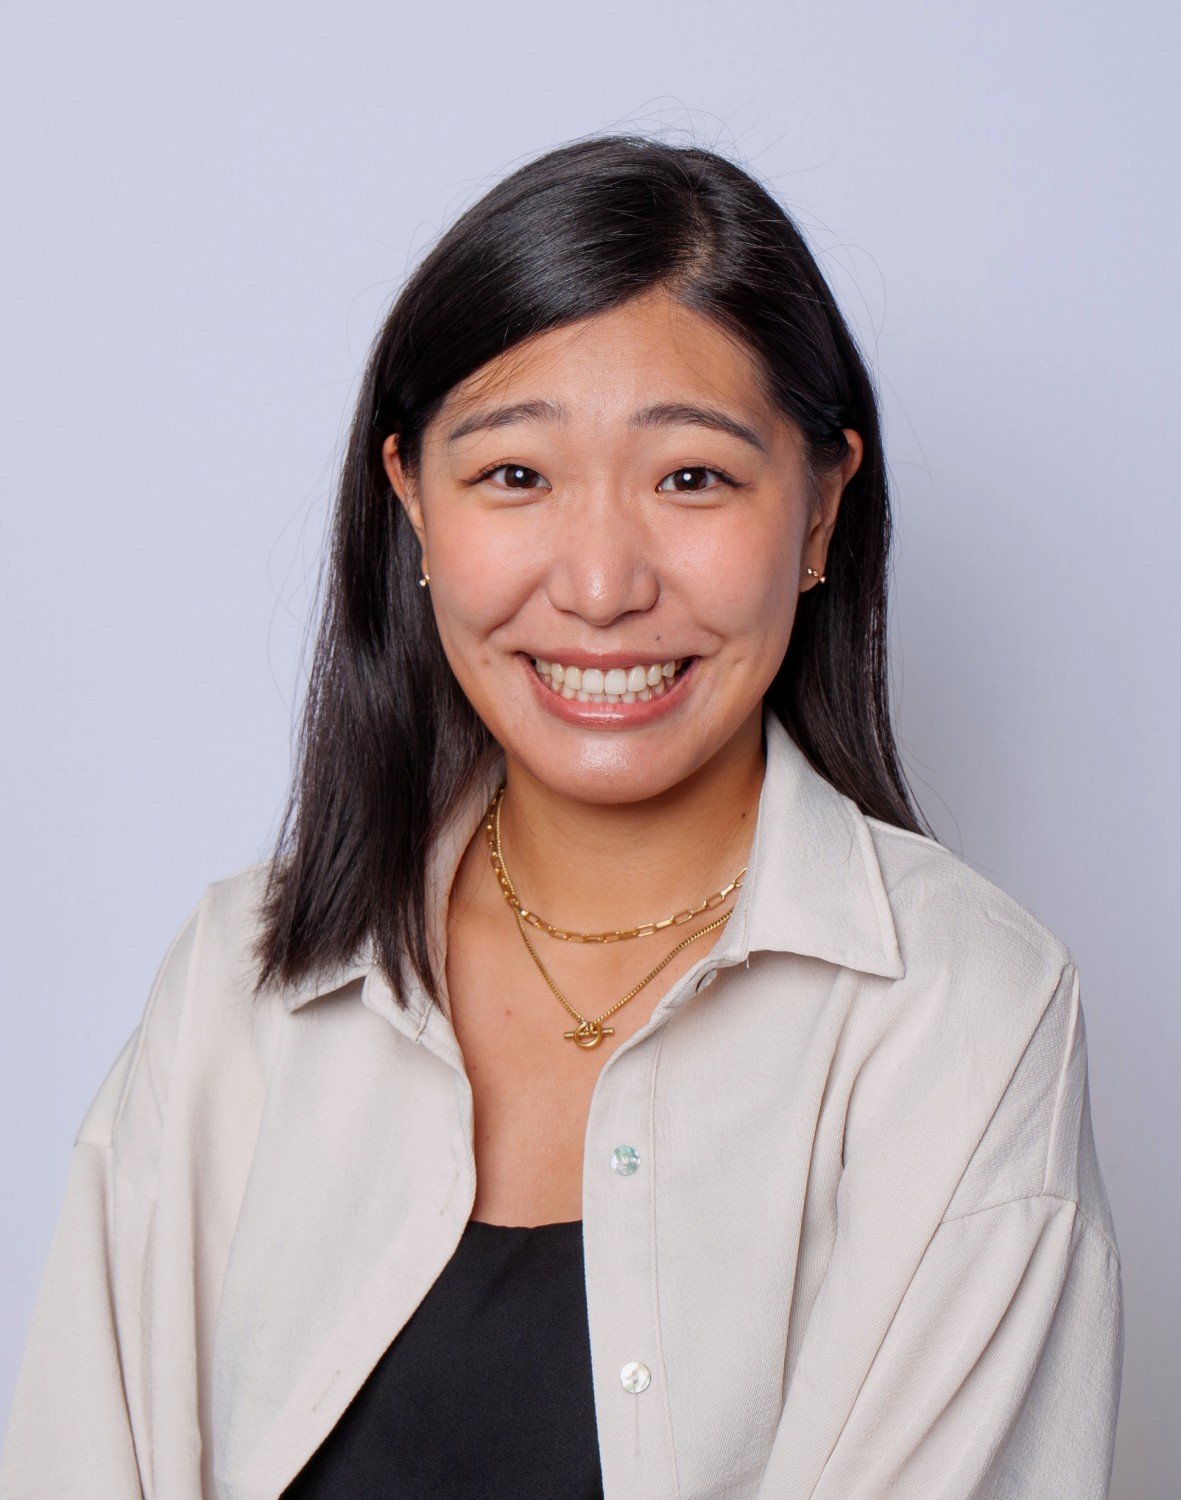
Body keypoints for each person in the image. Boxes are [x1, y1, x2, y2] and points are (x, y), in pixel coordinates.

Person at [0, 133, 1123, 1499]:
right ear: (411, 500)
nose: (599, 585)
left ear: (822, 506)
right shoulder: (242, 981)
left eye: (692, 478)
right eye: (516, 477)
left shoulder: (962, 1014)